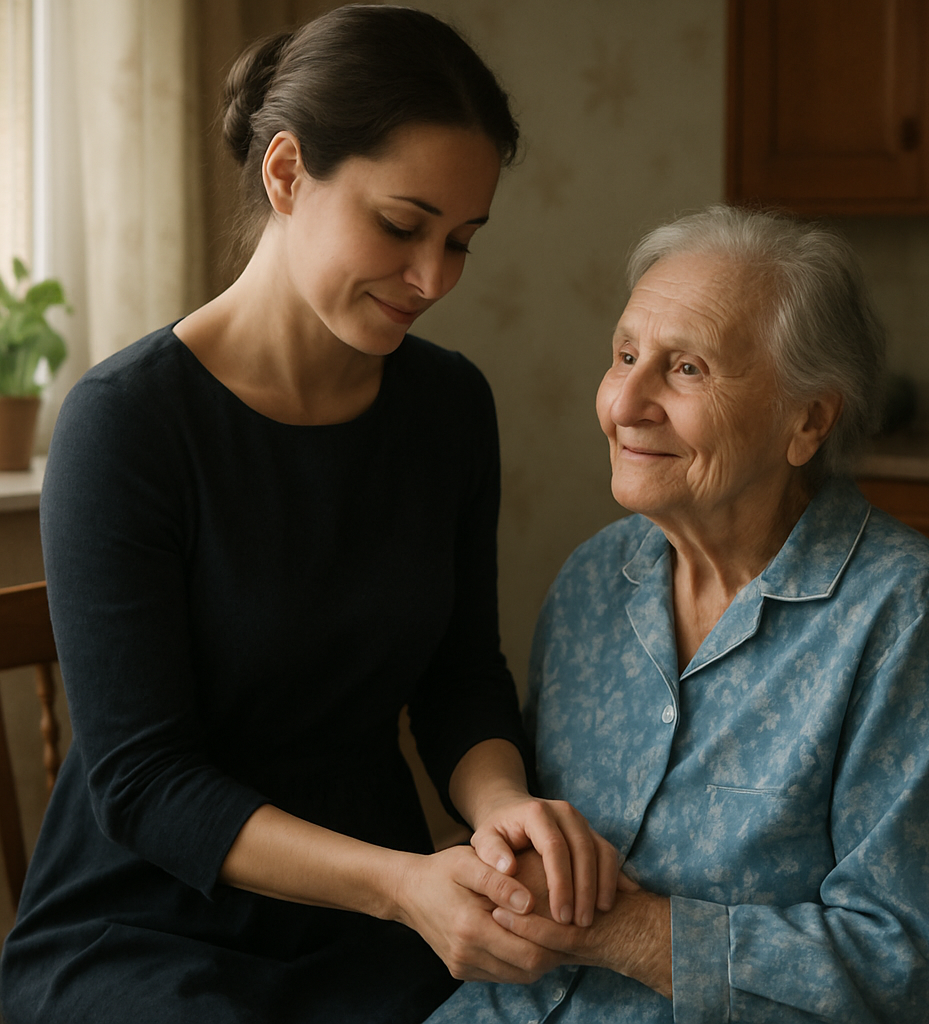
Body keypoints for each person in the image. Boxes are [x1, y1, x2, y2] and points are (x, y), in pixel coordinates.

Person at [0, 7, 619, 1023]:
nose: (434, 279)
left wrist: (500, 809)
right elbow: (146, 782)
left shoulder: (450, 407)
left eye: (461, 239)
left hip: (369, 923)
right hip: (144, 929)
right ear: (286, 174)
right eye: (401, 224)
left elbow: (459, 675)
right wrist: (403, 883)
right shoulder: (126, 425)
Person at [427, 205, 929, 1023]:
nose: (625, 402)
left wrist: (608, 927)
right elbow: (531, 847)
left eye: (685, 369)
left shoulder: (903, 618)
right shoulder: (594, 578)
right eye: (624, 355)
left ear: (808, 420)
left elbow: (907, 976)